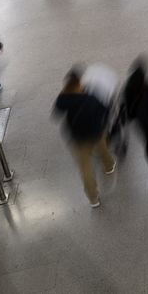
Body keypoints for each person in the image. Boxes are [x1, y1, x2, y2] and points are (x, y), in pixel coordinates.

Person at [53, 69, 116, 207]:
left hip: (77, 137)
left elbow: (56, 112)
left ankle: (93, 198)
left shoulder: (63, 98)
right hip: (95, 132)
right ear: (78, 84)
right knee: (103, 148)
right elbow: (105, 111)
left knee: (85, 167)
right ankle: (109, 166)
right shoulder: (89, 99)